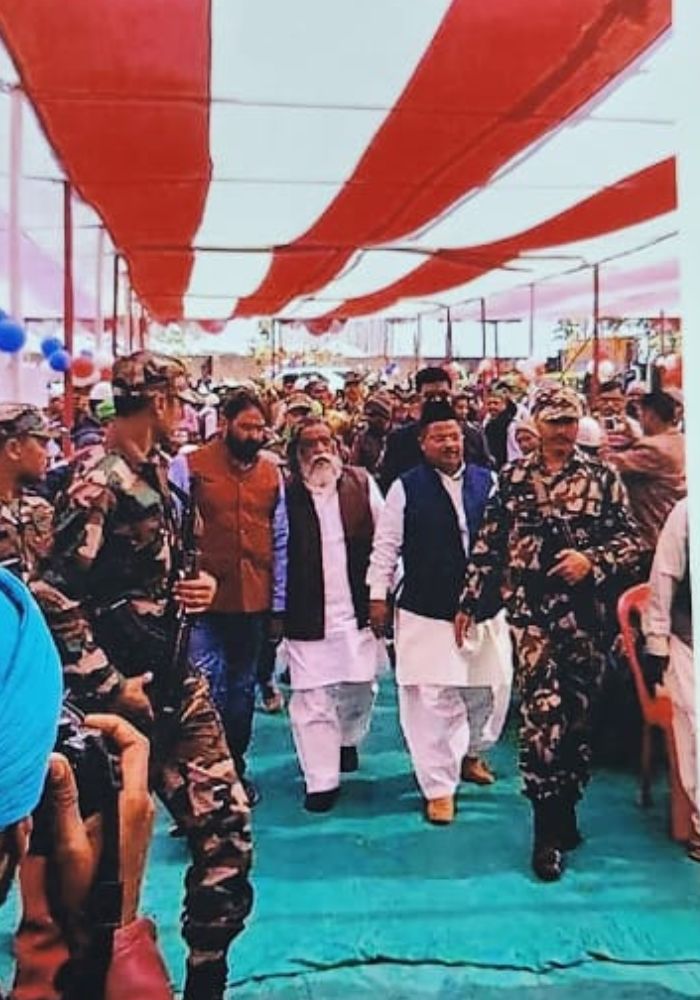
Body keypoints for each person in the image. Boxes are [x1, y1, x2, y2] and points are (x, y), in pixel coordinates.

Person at [47, 353, 253, 1000]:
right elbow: (52, 594)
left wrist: (200, 586)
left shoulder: (159, 476)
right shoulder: (97, 484)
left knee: (226, 834)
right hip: (108, 707)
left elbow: (167, 573)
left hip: (173, 683)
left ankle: (206, 979)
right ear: (159, 403)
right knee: (101, 872)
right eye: (180, 402)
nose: (185, 414)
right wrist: (110, 684)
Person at [456, 385, 642, 880]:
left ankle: (565, 808)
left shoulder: (602, 477)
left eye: (568, 422)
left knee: (578, 722)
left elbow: (631, 541)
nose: (562, 431)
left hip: (585, 621)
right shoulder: (514, 478)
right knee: (542, 719)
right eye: (553, 422)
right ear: (535, 425)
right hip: (532, 618)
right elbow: (489, 542)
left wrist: (591, 560)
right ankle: (545, 831)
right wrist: (470, 601)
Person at [368, 399, 509, 825]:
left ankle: (471, 753)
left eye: (454, 435)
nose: (449, 444)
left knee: (491, 688)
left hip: (484, 607)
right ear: (422, 442)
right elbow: (386, 547)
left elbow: (508, 538)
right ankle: (438, 786)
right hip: (426, 609)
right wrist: (378, 595)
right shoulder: (405, 487)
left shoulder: (489, 481)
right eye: (439, 437)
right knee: (431, 699)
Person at [170, 388, 288, 800]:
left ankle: (234, 767)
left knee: (240, 694)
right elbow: (171, 530)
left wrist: (279, 605)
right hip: (201, 603)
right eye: (246, 426)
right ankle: (203, 778)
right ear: (224, 423)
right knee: (205, 690)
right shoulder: (187, 467)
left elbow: (281, 540)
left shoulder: (272, 474)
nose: (254, 435)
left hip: (253, 601)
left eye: (261, 428)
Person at [283, 418, 385, 811]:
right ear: (297, 454)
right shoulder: (285, 493)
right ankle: (320, 780)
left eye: (326, 441)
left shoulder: (362, 483)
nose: (320, 451)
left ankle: (346, 739)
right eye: (310, 445)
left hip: (357, 607)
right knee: (311, 696)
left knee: (360, 685)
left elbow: (385, 540)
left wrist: (382, 594)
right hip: (306, 611)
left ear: (339, 446)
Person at [643, 498, 699, 861]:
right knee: (695, 726)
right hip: (688, 641)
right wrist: (657, 643)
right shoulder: (687, 512)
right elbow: (663, 577)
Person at [379, 367, 490, 492]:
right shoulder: (399, 439)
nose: (437, 401)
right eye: (430, 396)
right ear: (418, 398)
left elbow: (485, 477)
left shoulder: (473, 436)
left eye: (443, 395)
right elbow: (388, 484)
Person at [605, 390, 686, 551]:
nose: (640, 420)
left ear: (651, 415)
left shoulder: (653, 448)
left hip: (652, 532)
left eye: (641, 414)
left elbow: (610, 465)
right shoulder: (679, 439)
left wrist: (601, 443)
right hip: (670, 525)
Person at [350, 392, 393, 480]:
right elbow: (354, 467)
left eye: (373, 417)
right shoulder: (362, 437)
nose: (370, 420)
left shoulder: (397, 436)